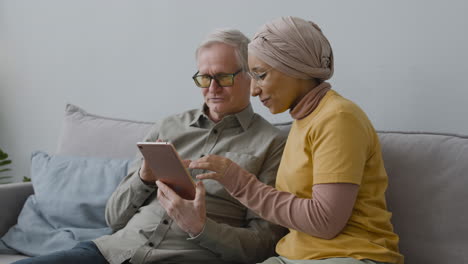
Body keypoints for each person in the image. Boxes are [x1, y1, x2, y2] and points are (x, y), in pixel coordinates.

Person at [13, 29, 286, 264]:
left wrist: (201, 227)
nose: (212, 88)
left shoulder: (272, 143)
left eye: (223, 77)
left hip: (189, 256)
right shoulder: (168, 128)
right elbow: (114, 219)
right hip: (114, 252)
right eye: (204, 78)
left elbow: (265, 241)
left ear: (249, 75)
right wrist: (144, 179)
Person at [190, 17, 404, 264]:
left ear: (295, 68)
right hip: (295, 257)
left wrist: (241, 184)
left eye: (260, 75)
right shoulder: (303, 121)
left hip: (352, 255)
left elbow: (325, 222)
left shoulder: (338, 118)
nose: (254, 90)